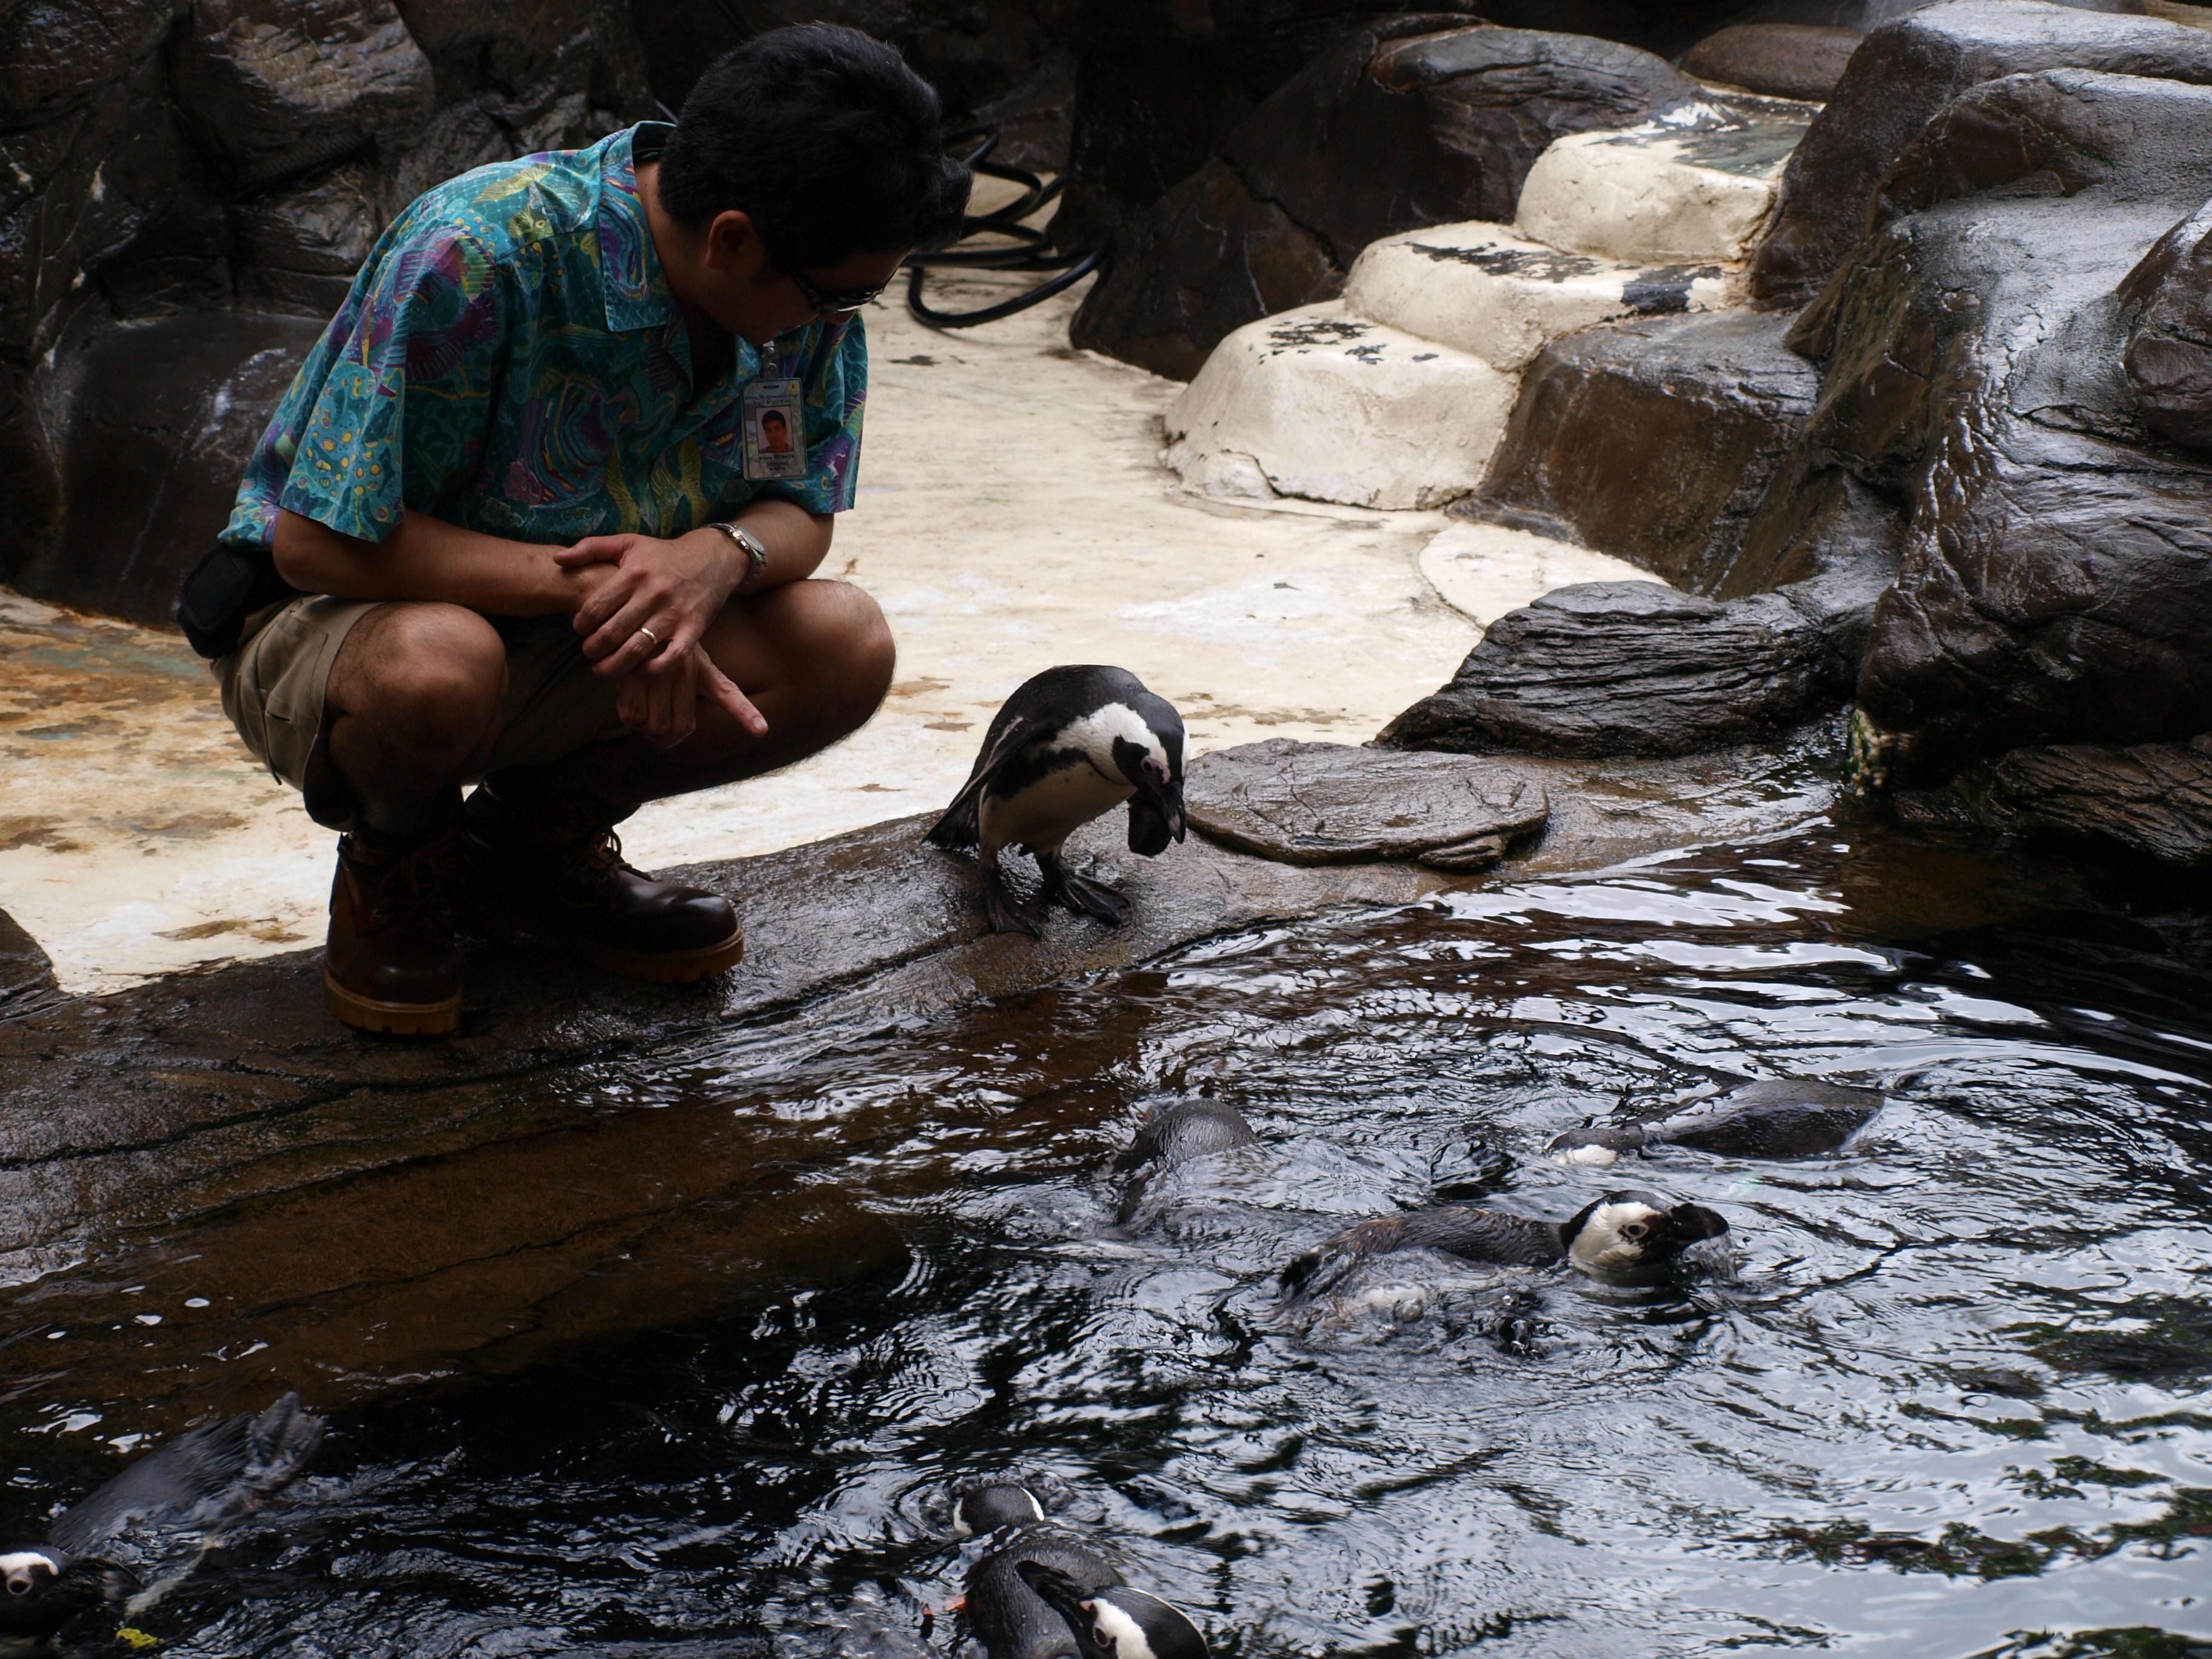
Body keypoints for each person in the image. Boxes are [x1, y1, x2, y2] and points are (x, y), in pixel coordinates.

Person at [194, 25, 969, 1036]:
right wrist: (612, 593)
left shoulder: (802, 299)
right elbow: (314, 544)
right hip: (344, 629)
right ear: (732, 240)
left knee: (844, 642)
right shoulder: (481, 250)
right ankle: (398, 864)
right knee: (439, 666)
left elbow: (801, 512)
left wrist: (713, 561)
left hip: (586, 642)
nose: (845, 319)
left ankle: (527, 852)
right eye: (840, 295)